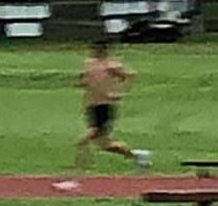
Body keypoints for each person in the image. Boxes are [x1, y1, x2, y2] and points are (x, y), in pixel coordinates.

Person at [59, 32, 152, 188]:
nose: (95, 51)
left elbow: (131, 76)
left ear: (104, 49)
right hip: (92, 107)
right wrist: (83, 83)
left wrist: (119, 93)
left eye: (98, 48)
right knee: (104, 144)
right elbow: (86, 80)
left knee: (82, 142)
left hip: (104, 107)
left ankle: (76, 179)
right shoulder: (89, 63)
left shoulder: (112, 65)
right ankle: (138, 155)